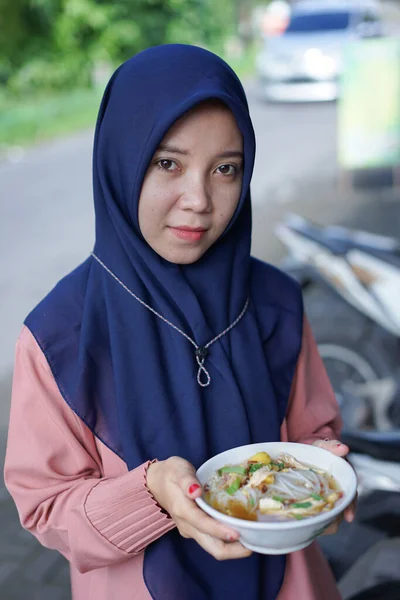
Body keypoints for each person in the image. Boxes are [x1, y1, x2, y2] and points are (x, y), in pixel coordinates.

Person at [4, 44, 355, 600]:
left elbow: (315, 434)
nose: (199, 199)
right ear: (121, 160)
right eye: (168, 163)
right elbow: (45, 504)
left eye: (226, 169)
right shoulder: (58, 335)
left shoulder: (275, 301)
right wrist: (152, 495)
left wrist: (326, 476)